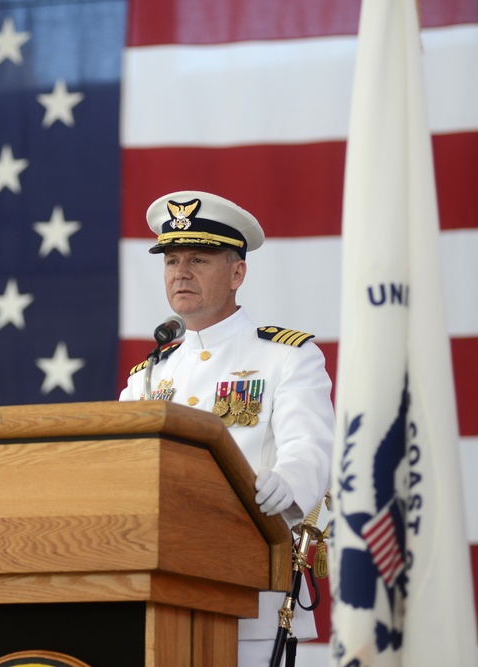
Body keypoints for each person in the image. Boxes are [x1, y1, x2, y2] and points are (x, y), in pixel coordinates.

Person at [119, 190, 334, 665]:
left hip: (251, 599)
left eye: (198, 258)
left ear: (237, 273)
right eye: (172, 260)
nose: (181, 272)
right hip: (158, 597)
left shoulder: (287, 357)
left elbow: (310, 448)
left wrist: (290, 485)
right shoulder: (148, 375)